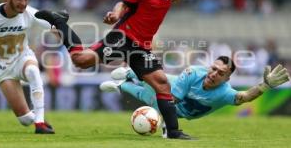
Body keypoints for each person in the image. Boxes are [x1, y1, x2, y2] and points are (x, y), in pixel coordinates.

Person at [35, 0, 200, 139]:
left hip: (141, 48)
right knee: (81, 61)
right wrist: (115, 14)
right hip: (123, 38)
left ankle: (173, 132)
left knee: (162, 84)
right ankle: (59, 23)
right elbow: (124, 3)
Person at [99, 56, 290, 138]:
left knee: (150, 97)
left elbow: (246, 96)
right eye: (213, 68)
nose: (214, 73)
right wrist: (164, 123)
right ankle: (130, 75)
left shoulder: (224, 93)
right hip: (172, 87)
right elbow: (170, 100)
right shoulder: (192, 73)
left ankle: (121, 84)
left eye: (221, 73)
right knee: (155, 92)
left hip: (179, 108)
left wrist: (265, 86)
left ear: (227, 78)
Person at [0, 0, 57, 134]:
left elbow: (54, 26)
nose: (23, 3)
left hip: (23, 58)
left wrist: (66, 36)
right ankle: (34, 119)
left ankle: (40, 123)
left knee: (33, 71)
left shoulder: (30, 13)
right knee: (25, 120)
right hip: (3, 69)